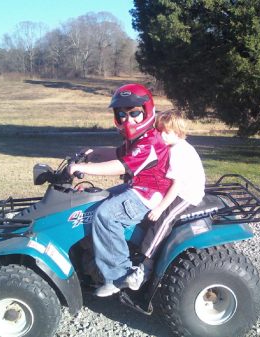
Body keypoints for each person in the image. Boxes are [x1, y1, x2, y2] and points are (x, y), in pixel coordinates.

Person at [68, 83, 172, 297]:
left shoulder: (149, 142)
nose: (128, 120)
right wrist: (92, 152)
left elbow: (121, 166)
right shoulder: (137, 139)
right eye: (122, 114)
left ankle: (118, 276)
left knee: (105, 215)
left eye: (134, 113)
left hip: (148, 195)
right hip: (137, 188)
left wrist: (84, 168)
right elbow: (117, 154)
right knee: (94, 199)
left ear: (147, 111)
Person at [122, 109, 206, 290]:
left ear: (178, 133)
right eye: (159, 131)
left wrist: (160, 208)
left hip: (187, 193)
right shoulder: (171, 147)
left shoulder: (179, 152)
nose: (161, 135)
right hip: (176, 188)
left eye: (166, 132)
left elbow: (177, 186)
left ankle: (146, 267)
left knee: (164, 219)